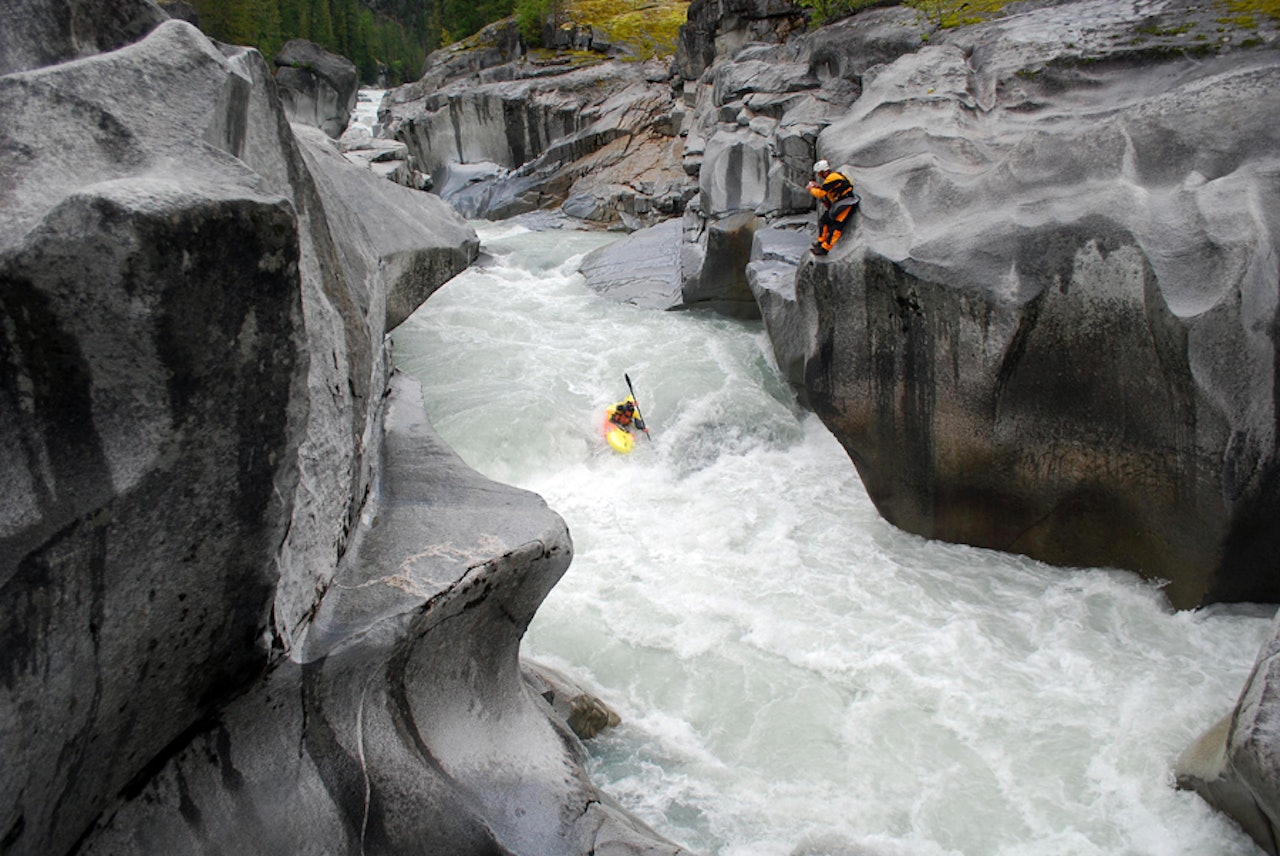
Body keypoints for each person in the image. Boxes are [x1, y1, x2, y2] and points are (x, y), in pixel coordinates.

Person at [806, 159, 860, 256]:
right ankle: (820, 242)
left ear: (824, 172)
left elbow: (821, 193)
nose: (819, 175)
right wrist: (818, 187)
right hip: (840, 202)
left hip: (846, 202)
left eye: (819, 173)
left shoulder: (832, 178)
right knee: (823, 220)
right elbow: (827, 190)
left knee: (837, 226)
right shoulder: (832, 177)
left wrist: (811, 189)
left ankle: (825, 249)